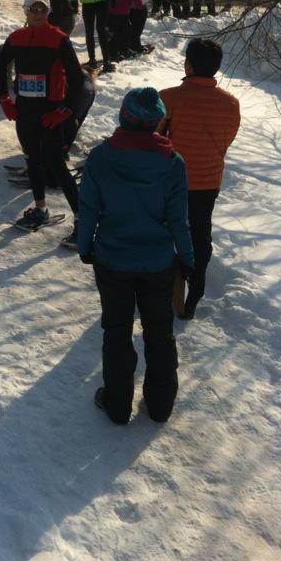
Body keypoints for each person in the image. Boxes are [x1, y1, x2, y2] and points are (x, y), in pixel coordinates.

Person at [78, 87, 194, 425]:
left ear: (123, 118)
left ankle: (117, 405)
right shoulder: (172, 163)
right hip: (158, 262)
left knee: (116, 330)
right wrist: (187, 257)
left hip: (112, 260)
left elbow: (89, 210)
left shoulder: (101, 157)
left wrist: (86, 246)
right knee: (159, 331)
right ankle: (160, 406)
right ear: (156, 123)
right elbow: (178, 219)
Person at [159, 39, 240, 320]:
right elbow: (226, 141)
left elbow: (156, 141)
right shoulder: (231, 104)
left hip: (173, 182)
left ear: (188, 65)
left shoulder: (168, 98)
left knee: (164, 230)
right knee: (199, 233)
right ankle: (195, 288)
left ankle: (161, 285)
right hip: (208, 182)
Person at [0, 0, 84, 239]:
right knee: (32, 159)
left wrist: (66, 110)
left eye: (42, 9)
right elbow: (0, 66)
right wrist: (4, 98)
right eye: (33, 8)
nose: (37, 13)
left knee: (56, 165)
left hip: (50, 113)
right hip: (24, 112)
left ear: (48, 12)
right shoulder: (17, 37)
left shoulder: (58, 39)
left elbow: (76, 78)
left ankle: (81, 219)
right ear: (25, 10)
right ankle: (41, 209)